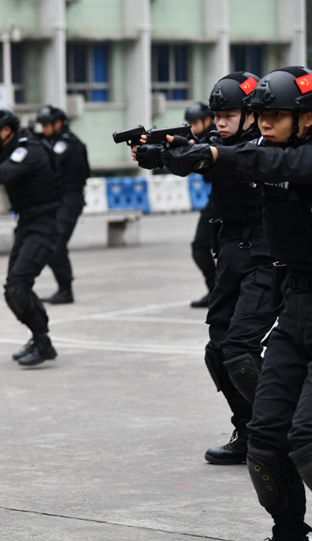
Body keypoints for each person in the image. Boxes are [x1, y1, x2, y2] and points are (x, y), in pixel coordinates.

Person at [158, 66, 312, 541]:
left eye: (277, 115)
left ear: (305, 118)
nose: (265, 123)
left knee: (305, 438)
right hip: (294, 304)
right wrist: (169, 155)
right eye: (261, 114)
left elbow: (274, 165)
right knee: (265, 441)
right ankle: (288, 532)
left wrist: (210, 153)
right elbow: (249, 157)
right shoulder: (261, 149)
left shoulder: (296, 157)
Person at [138, 72, 276, 465]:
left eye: (229, 113)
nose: (220, 121)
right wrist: (157, 154)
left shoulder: (265, 147)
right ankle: (248, 430)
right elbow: (195, 153)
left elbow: (226, 161)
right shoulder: (217, 141)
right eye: (217, 114)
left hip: (266, 254)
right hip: (231, 251)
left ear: (250, 114)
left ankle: (280, 426)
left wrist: (190, 154)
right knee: (218, 349)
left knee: (240, 349)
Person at [0, 104, 64, 367]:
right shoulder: (10, 149)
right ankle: (39, 338)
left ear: (6, 130)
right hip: (27, 224)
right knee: (13, 289)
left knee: (18, 284)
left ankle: (43, 342)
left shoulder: (29, 149)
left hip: (45, 225)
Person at [35, 105, 90, 305]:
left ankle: (65, 290)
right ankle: (64, 288)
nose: (43, 129)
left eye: (46, 125)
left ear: (58, 123)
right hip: (59, 199)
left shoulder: (66, 143)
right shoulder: (54, 141)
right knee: (53, 243)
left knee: (56, 244)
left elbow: (51, 161)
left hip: (70, 198)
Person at [185, 101, 219, 308]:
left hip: (233, 197)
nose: (192, 126)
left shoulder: (217, 138)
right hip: (216, 198)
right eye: (190, 122)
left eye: (195, 122)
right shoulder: (195, 139)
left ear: (207, 120)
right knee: (200, 247)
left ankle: (224, 293)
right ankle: (215, 291)